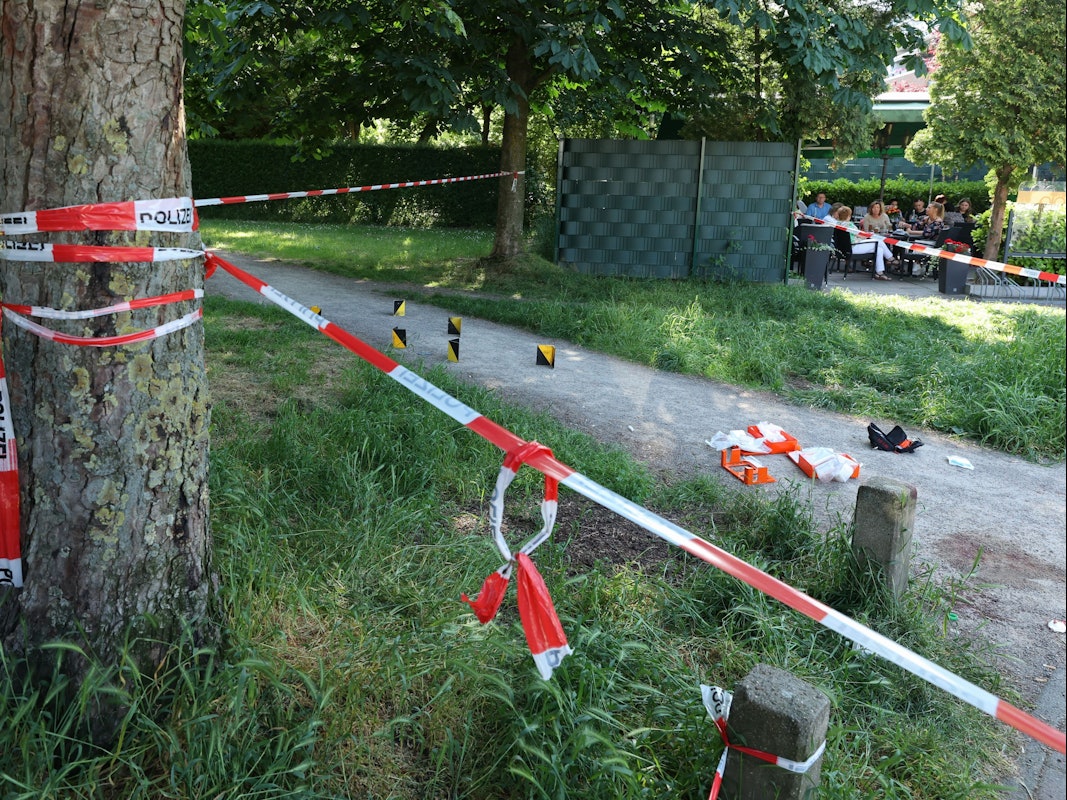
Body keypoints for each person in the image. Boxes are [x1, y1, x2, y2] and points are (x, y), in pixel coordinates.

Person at [834, 205, 896, 280]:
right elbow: (861, 235)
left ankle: (879, 273)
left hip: (843, 249)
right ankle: (891, 259)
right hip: (853, 247)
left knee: (879, 249)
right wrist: (871, 235)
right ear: (848, 216)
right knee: (879, 241)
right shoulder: (849, 225)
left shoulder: (837, 224)